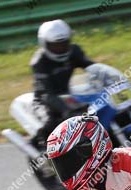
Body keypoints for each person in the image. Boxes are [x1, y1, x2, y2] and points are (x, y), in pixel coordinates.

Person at [30, 19, 94, 151]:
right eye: (55, 46)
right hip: (45, 99)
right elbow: (47, 94)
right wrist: (66, 110)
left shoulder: (74, 51)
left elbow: (92, 66)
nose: (60, 49)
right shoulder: (39, 62)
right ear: (44, 44)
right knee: (50, 121)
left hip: (69, 94)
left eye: (64, 44)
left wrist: (107, 77)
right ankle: (38, 146)